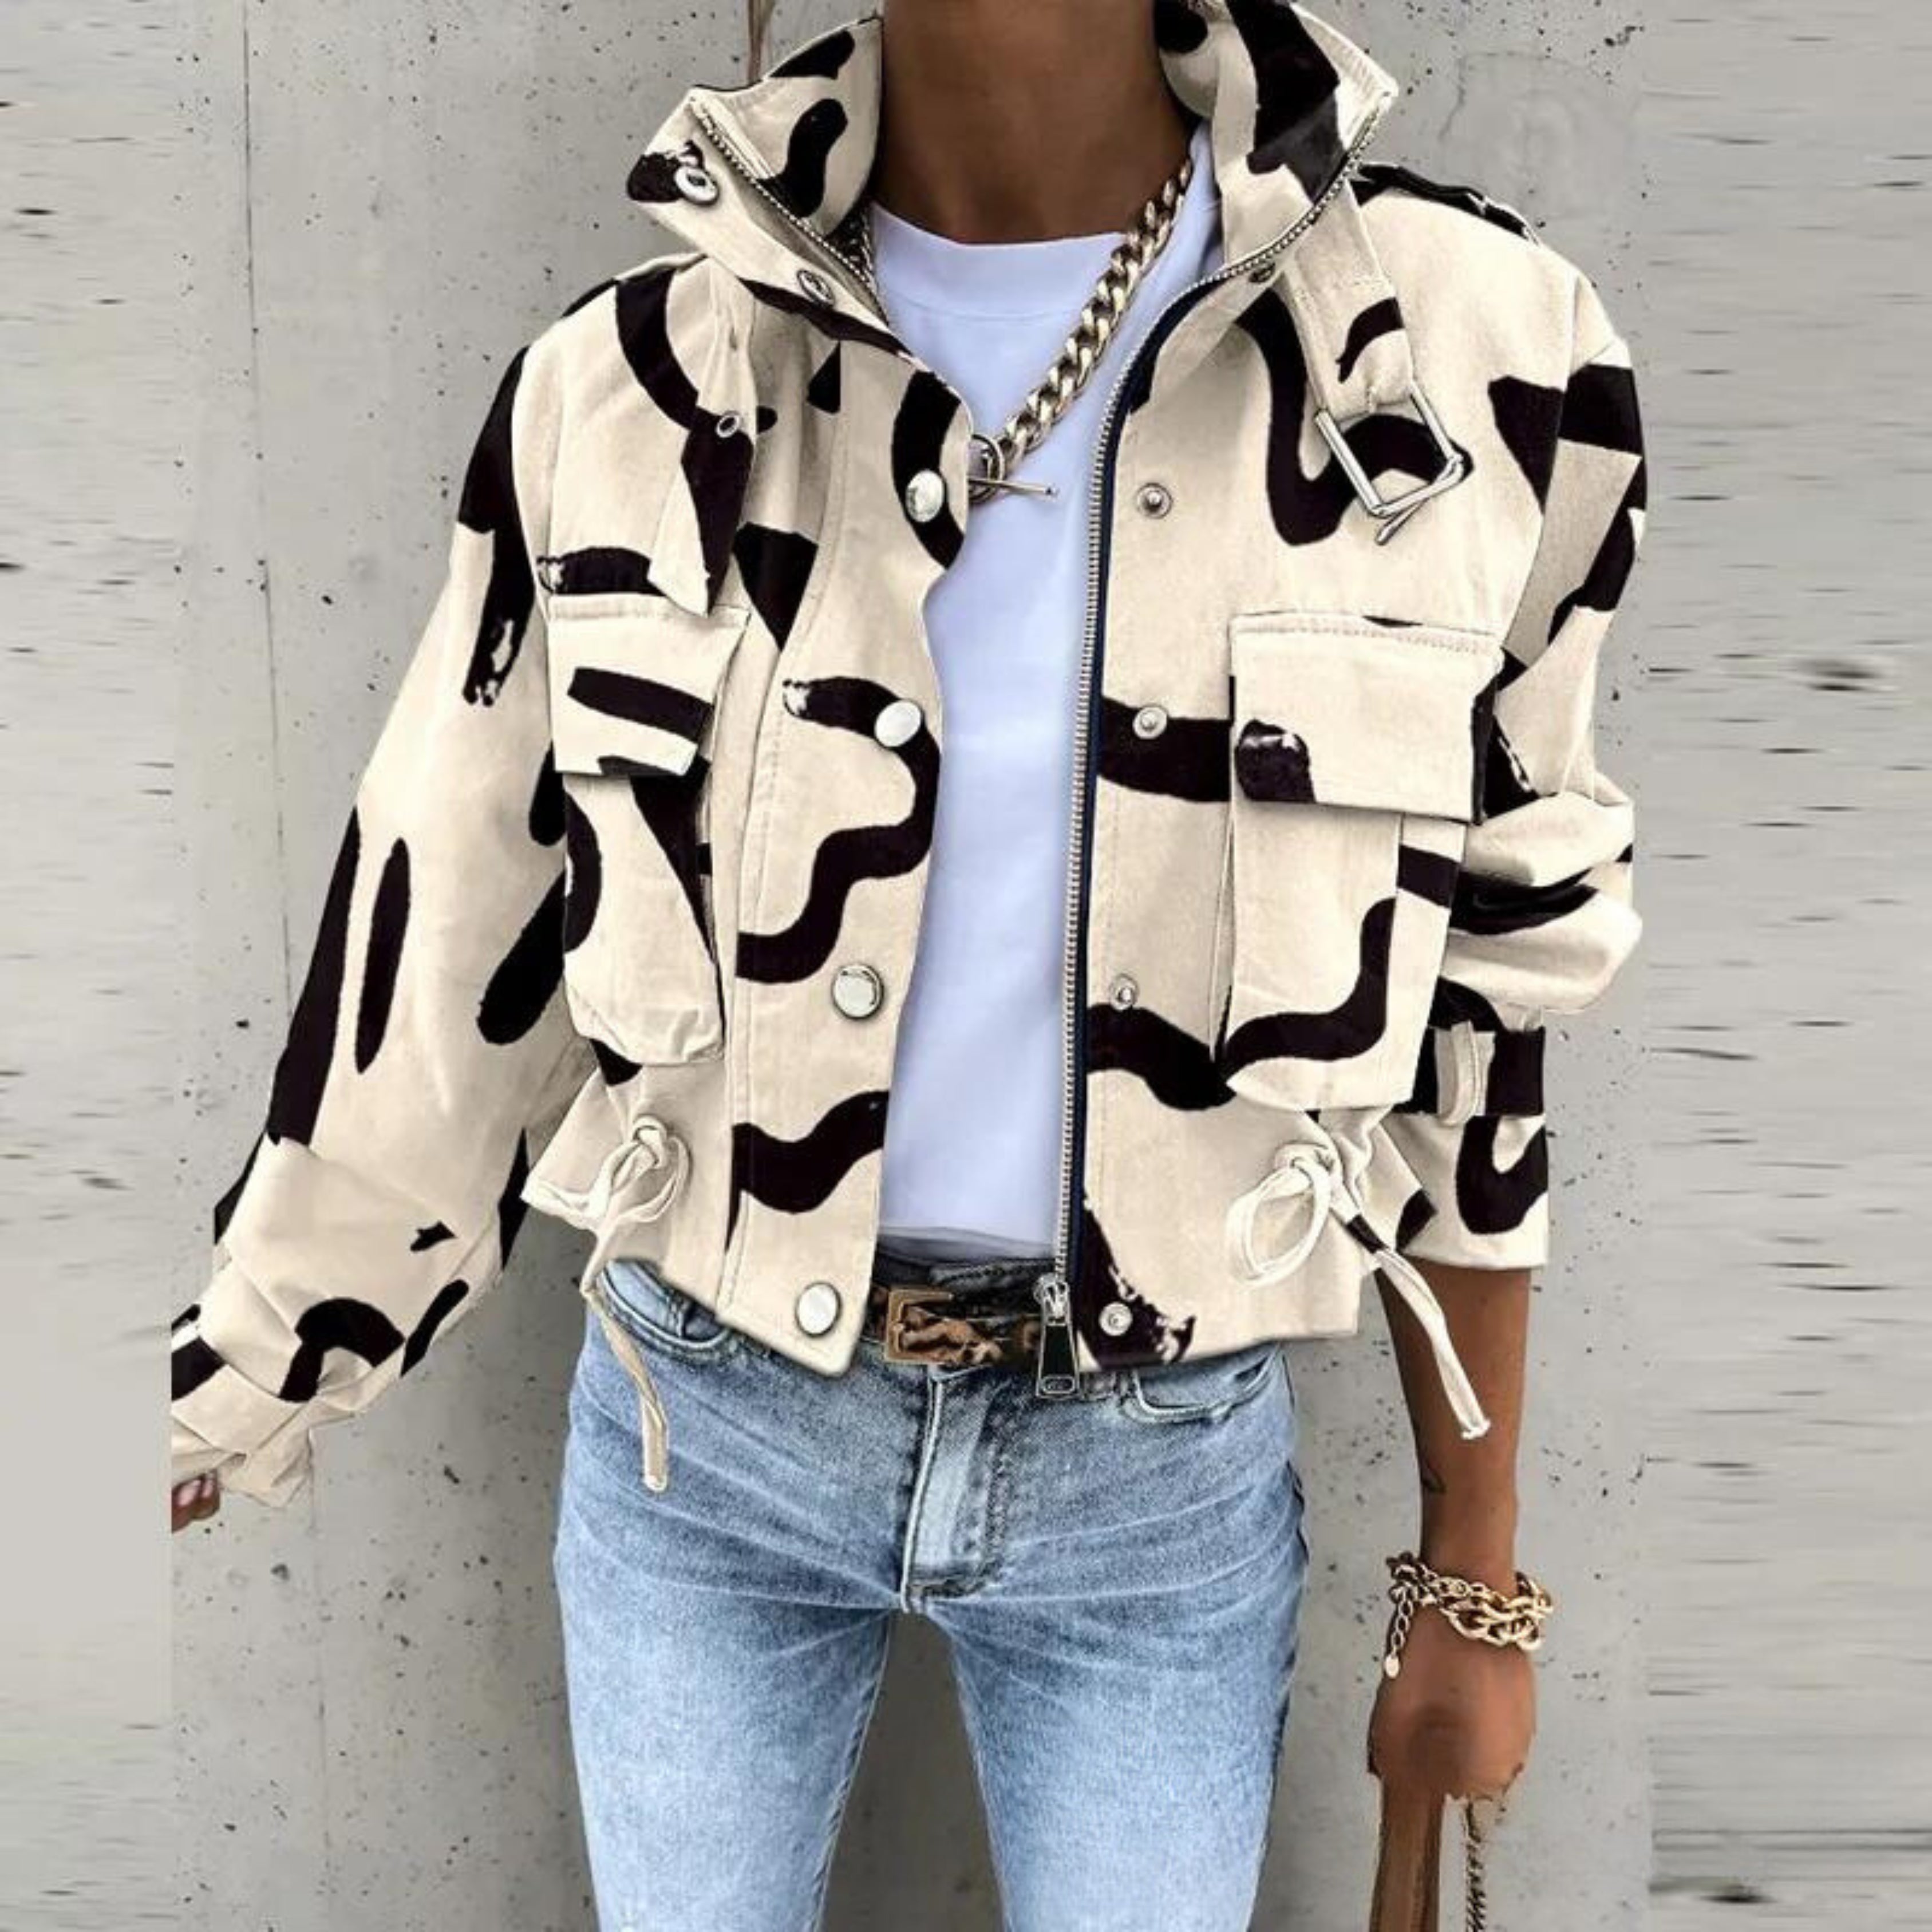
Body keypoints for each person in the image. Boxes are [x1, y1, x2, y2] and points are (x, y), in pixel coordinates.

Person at [171, 1, 1647, 1925]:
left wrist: (1473, 1576)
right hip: (703, 1432)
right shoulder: (629, 392)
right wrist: (246, 1370)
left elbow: (1492, 1011)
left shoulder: (1472, 363)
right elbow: (444, 928)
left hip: (1159, 1468)